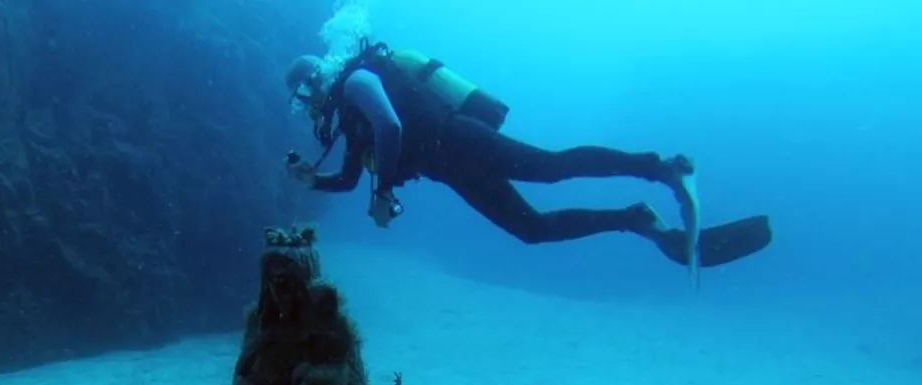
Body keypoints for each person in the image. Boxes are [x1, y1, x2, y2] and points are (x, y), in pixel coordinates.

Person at [282, 39, 772, 270]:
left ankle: (658, 168)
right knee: (531, 230)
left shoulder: (358, 82)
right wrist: (313, 180)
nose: (308, 109)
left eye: (304, 97)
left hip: (459, 139)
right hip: (453, 170)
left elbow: (391, 126)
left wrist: (384, 193)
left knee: (550, 168)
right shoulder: (351, 123)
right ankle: (638, 220)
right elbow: (350, 178)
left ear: (315, 82)